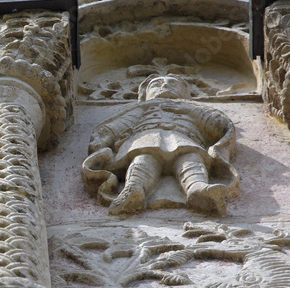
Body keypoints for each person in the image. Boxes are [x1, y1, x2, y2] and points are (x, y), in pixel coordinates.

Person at [82, 74, 238, 215]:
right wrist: (104, 138)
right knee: (143, 158)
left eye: (172, 83)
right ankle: (134, 189)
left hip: (184, 138)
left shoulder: (191, 108)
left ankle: (198, 188)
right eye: (156, 84)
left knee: (192, 159)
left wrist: (188, 110)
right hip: (147, 137)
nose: (164, 86)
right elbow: (120, 124)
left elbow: (218, 126)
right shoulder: (143, 107)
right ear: (145, 94)